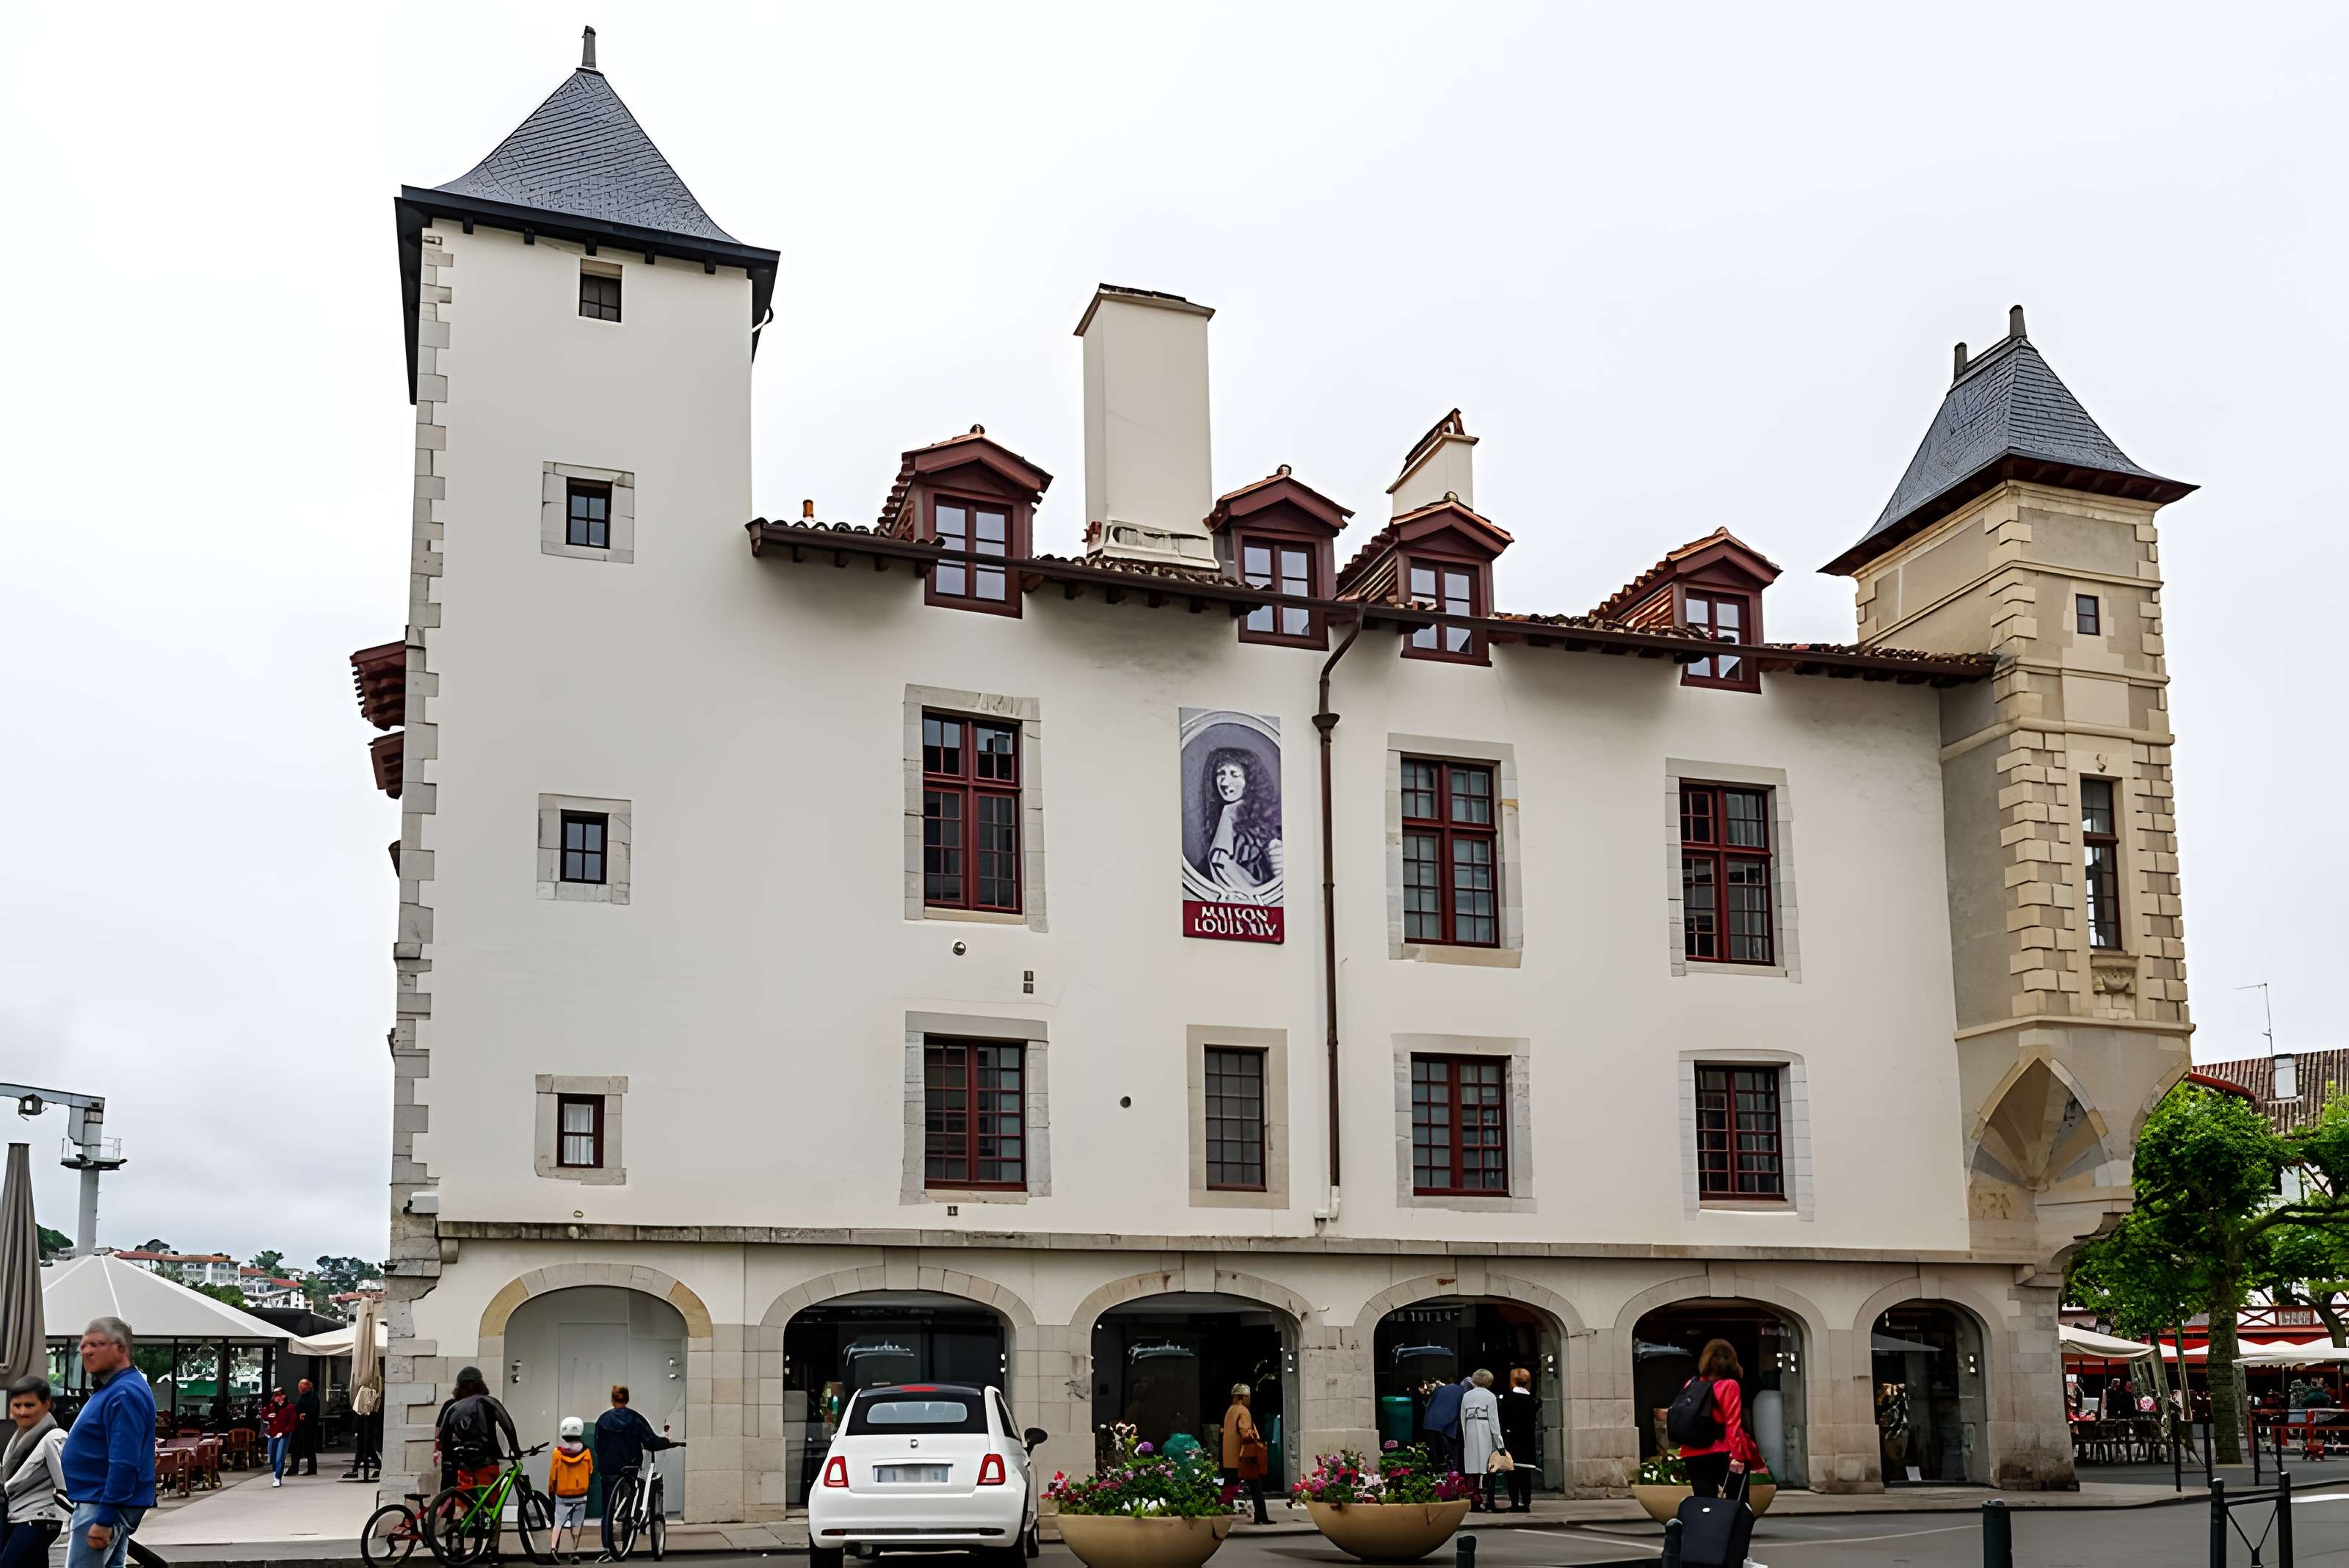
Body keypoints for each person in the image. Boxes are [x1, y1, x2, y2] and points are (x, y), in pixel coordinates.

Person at [59, 1318, 155, 1568]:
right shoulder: (115, 1389)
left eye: (97, 1344)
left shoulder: (124, 1393)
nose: (87, 1351)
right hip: (101, 1502)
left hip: (101, 1504)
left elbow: (124, 1462)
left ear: (121, 1348)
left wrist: (104, 1518)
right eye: (83, 1346)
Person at [592, 1385, 679, 1558]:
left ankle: (608, 1547)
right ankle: (626, 1545)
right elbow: (650, 1442)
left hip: (608, 1469)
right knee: (629, 1504)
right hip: (629, 1468)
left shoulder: (602, 1420)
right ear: (627, 1399)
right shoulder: (635, 1418)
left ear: (612, 1399)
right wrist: (668, 1442)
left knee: (607, 1510)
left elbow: (598, 1445)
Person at [1675, 1340, 1763, 1499]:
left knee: (1704, 1503)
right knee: (1735, 1503)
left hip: (1692, 1453)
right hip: (1720, 1451)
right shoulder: (1729, 1386)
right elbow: (1732, 1425)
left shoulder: (1692, 1383)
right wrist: (1738, 1457)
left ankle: (1705, 1524)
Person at [3, 1375, 71, 1568]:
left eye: (29, 1405)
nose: (23, 1412)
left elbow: (66, 1486)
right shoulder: (18, 1437)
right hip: (19, 1516)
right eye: (17, 1405)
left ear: (46, 1404)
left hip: (40, 1518)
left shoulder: (54, 1437)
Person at [1197, 749, 1282, 901]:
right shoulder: (1228, 813)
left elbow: (1219, 861)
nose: (1224, 782)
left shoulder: (1232, 812)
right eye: (1220, 774)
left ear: (1251, 780)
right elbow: (1218, 861)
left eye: (1234, 774)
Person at [435, 1368, 520, 1500]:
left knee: (462, 1506)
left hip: (459, 1466)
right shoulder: (490, 1402)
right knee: (490, 1507)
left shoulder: (452, 1408)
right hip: (486, 1463)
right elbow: (508, 1427)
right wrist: (516, 1449)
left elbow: (441, 1439)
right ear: (481, 1384)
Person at [1219, 1384, 1269, 1525]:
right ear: (1245, 1397)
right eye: (1249, 1397)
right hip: (1244, 1458)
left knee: (1228, 1489)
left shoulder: (1230, 1411)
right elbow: (1245, 1433)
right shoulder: (1243, 1411)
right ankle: (1261, 1516)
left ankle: (1222, 1515)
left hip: (1229, 1459)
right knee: (1256, 1487)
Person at [548, 1417, 593, 1564]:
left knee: (558, 1522)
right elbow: (590, 1470)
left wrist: (551, 1491)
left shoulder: (557, 1453)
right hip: (580, 1494)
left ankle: (554, 1549)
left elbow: (553, 1476)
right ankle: (573, 1552)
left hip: (562, 1494)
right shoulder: (586, 1452)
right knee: (577, 1523)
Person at [1457, 1370, 1501, 1513]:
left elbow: (1462, 1418)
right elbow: (1494, 1421)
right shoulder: (1490, 1397)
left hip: (1470, 1434)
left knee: (1473, 1471)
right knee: (1490, 1468)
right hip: (1486, 1434)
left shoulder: (1466, 1396)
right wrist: (1499, 1443)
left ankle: (1475, 1500)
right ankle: (1490, 1501)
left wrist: (1465, 1438)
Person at [1497, 1368, 1539, 1514]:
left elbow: (1504, 1420)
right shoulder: (1532, 1400)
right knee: (1526, 1474)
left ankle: (1515, 1502)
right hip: (1527, 1440)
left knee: (1511, 1473)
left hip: (1512, 1439)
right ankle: (1526, 1502)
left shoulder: (1508, 1398)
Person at [1421, 1374, 1467, 1477]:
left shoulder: (1446, 1388)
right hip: (1446, 1423)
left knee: (1436, 1454)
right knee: (1451, 1453)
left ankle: (1438, 1474)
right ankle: (1452, 1477)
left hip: (1431, 1421)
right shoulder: (1464, 1392)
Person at [261, 1388, 297, 1487]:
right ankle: (276, 1473)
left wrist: (284, 1432)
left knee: (280, 1455)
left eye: (278, 1394)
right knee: (272, 1456)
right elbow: (263, 1415)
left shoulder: (290, 1407)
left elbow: (292, 1423)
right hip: (273, 1434)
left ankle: (278, 1477)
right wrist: (268, 1416)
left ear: (283, 1396)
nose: (276, 1397)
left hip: (284, 1435)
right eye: (275, 1395)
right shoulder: (272, 1407)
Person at [291, 1378, 322, 1477]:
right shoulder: (301, 1397)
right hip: (299, 1425)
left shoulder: (313, 1397)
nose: (300, 1387)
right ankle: (294, 1468)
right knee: (296, 1446)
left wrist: (306, 1415)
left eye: (302, 1385)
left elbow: (314, 1410)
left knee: (309, 1447)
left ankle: (312, 1469)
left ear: (307, 1387)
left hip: (309, 1426)